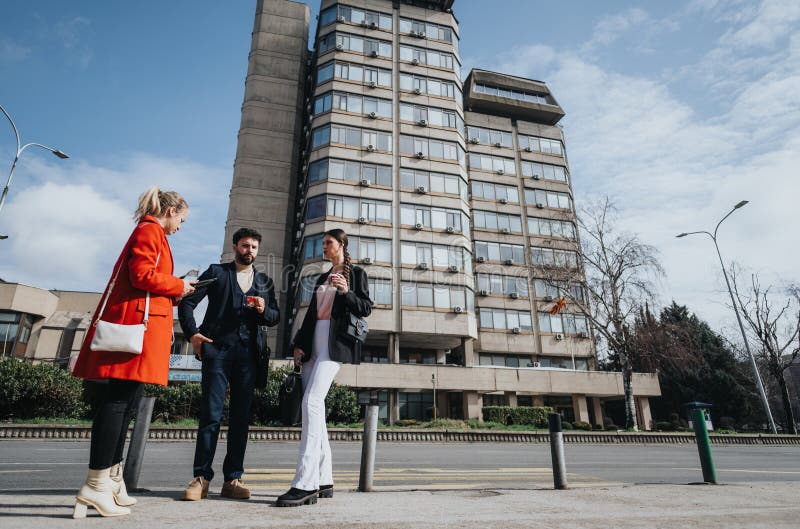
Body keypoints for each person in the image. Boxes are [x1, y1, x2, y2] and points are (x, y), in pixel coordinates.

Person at [72, 187, 195, 518]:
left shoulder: (152, 232)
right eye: (182, 219)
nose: (181, 227)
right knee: (117, 404)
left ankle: (111, 479)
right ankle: (96, 484)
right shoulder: (150, 229)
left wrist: (177, 288)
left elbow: (147, 279)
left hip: (141, 330)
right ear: (171, 212)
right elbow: (140, 275)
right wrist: (177, 286)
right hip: (134, 332)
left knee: (126, 405)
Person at [178, 227, 280, 501]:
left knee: (240, 420)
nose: (250, 251)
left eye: (254, 247)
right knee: (210, 416)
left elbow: (274, 318)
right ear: (235, 246)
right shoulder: (216, 272)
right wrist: (193, 334)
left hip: (248, 357)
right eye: (245, 245)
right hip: (217, 352)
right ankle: (201, 478)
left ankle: (233, 479)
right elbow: (187, 303)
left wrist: (262, 310)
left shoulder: (265, 282)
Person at [276, 228, 372, 507]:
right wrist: (298, 344)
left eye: (328, 243)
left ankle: (305, 484)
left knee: (311, 403)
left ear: (341, 245)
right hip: (313, 345)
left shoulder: (356, 275)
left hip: (335, 346)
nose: (324, 247)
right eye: (323, 244)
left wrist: (345, 291)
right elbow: (311, 316)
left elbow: (365, 308)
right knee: (314, 412)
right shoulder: (321, 277)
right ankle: (325, 479)